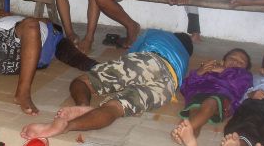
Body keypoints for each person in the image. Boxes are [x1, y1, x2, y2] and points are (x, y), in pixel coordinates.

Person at [21, 29, 192, 139]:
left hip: (149, 60)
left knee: (83, 81)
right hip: (169, 83)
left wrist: (118, 74)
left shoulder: (157, 33)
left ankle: (83, 106)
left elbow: (130, 54)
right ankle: (67, 127)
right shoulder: (185, 59)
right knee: (116, 108)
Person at [171, 48, 253, 146]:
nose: (235, 61)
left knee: (211, 102)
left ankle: (182, 131)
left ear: (246, 69)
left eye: (241, 62)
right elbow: (185, 87)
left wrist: (225, 71)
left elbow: (239, 85)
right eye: (232, 58)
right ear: (223, 61)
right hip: (199, 94)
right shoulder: (208, 70)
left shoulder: (245, 75)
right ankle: (189, 137)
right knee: (194, 115)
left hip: (223, 98)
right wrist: (199, 73)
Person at [0, 12, 64, 116]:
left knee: (31, 24)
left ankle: (23, 93)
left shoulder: (48, 32)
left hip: (8, 45)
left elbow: (41, 22)